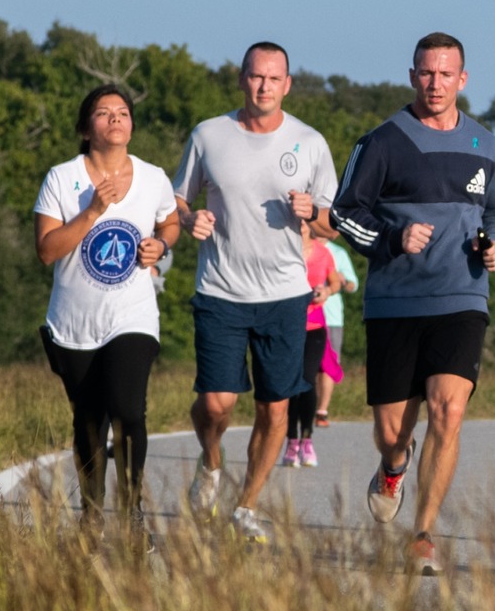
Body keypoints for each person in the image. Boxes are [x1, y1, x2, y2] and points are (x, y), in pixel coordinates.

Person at [332, 33, 495, 575]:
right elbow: (344, 214)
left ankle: (424, 533)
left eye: (446, 74)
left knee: (448, 410)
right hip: (394, 301)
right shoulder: (382, 142)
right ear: (413, 76)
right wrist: (393, 239)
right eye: (426, 73)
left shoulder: (485, 144)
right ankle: (393, 468)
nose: (436, 84)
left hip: (462, 295)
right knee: (394, 433)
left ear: (464, 79)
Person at [173, 42, 340, 543]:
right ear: (241, 79)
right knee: (217, 403)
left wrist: (312, 212)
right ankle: (211, 460)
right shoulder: (209, 134)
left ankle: (245, 506)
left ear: (287, 85)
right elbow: (177, 198)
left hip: (285, 295)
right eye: (255, 76)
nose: (263, 86)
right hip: (221, 290)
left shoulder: (309, 142)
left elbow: (334, 224)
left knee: (275, 408)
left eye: (274, 78)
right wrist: (189, 218)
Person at [34, 85, 180, 527]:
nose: (115, 119)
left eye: (122, 112)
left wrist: (161, 244)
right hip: (74, 322)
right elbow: (46, 250)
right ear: (85, 128)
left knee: (129, 410)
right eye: (103, 113)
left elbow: (170, 222)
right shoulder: (62, 179)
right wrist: (93, 210)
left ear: (132, 125)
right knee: (89, 420)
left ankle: (133, 511)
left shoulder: (154, 177)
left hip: (132, 315)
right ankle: (92, 514)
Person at [279, 223, 341, 468]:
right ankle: (291, 440)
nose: (301, 224)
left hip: (315, 326)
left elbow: (334, 282)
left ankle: (306, 439)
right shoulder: (281, 249)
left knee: (306, 379)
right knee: (289, 383)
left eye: (305, 220)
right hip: (286, 324)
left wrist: (326, 290)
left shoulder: (322, 253)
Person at [313, 230, 359, 426]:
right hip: (308, 315)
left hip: (331, 316)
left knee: (328, 365)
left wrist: (343, 281)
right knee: (309, 365)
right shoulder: (304, 248)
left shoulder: (338, 253)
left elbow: (353, 284)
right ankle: (308, 405)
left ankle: (322, 410)